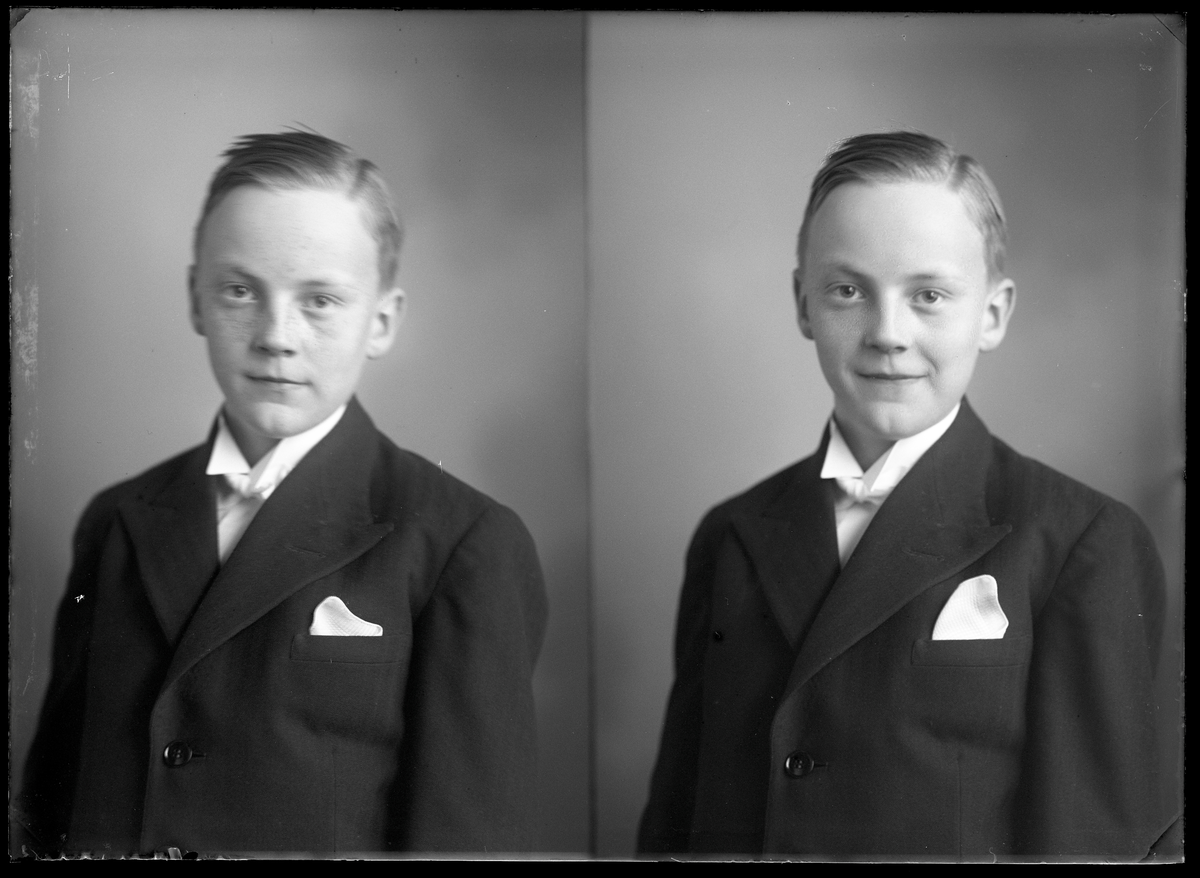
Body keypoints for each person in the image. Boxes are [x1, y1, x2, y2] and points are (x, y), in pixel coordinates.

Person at [638, 131, 1176, 861]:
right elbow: (676, 824)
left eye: (928, 295)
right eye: (848, 290)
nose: (887, 334)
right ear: (803, 304)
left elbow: (1093, 844)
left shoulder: (1081, 541)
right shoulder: (731, 534)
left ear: (992, 314)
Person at [18, 131, 548, 856]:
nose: (276, 336)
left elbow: (468, 841)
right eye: (240, 291)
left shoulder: (462, 542)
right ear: (196, 299)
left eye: (320, 300)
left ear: (382, 322)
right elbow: (51, 804)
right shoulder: (116, 519)